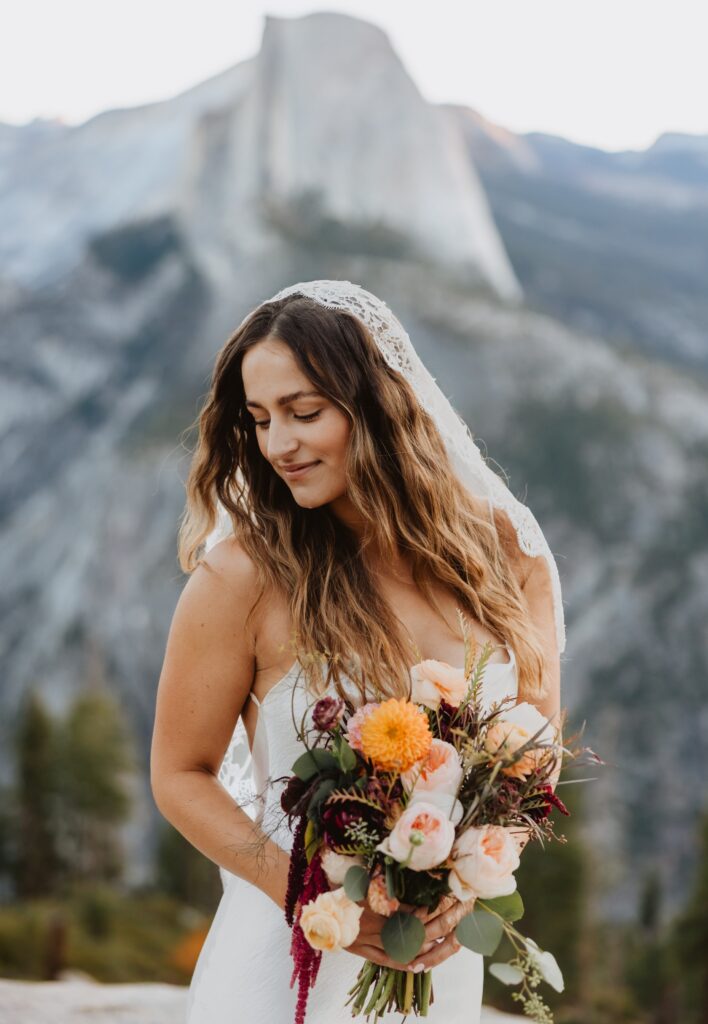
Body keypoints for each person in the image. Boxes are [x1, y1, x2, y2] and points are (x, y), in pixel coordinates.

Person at [150, 280, 566, 1023]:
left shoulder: (510, 556)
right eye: (259, 419)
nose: (278, 445)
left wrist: (463, 875)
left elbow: (536, 749)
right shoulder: (240, 578)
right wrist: (306, 892)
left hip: (437, 962)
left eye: (304, 412)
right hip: (288, 960)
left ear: (378, 404)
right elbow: (179, 775)